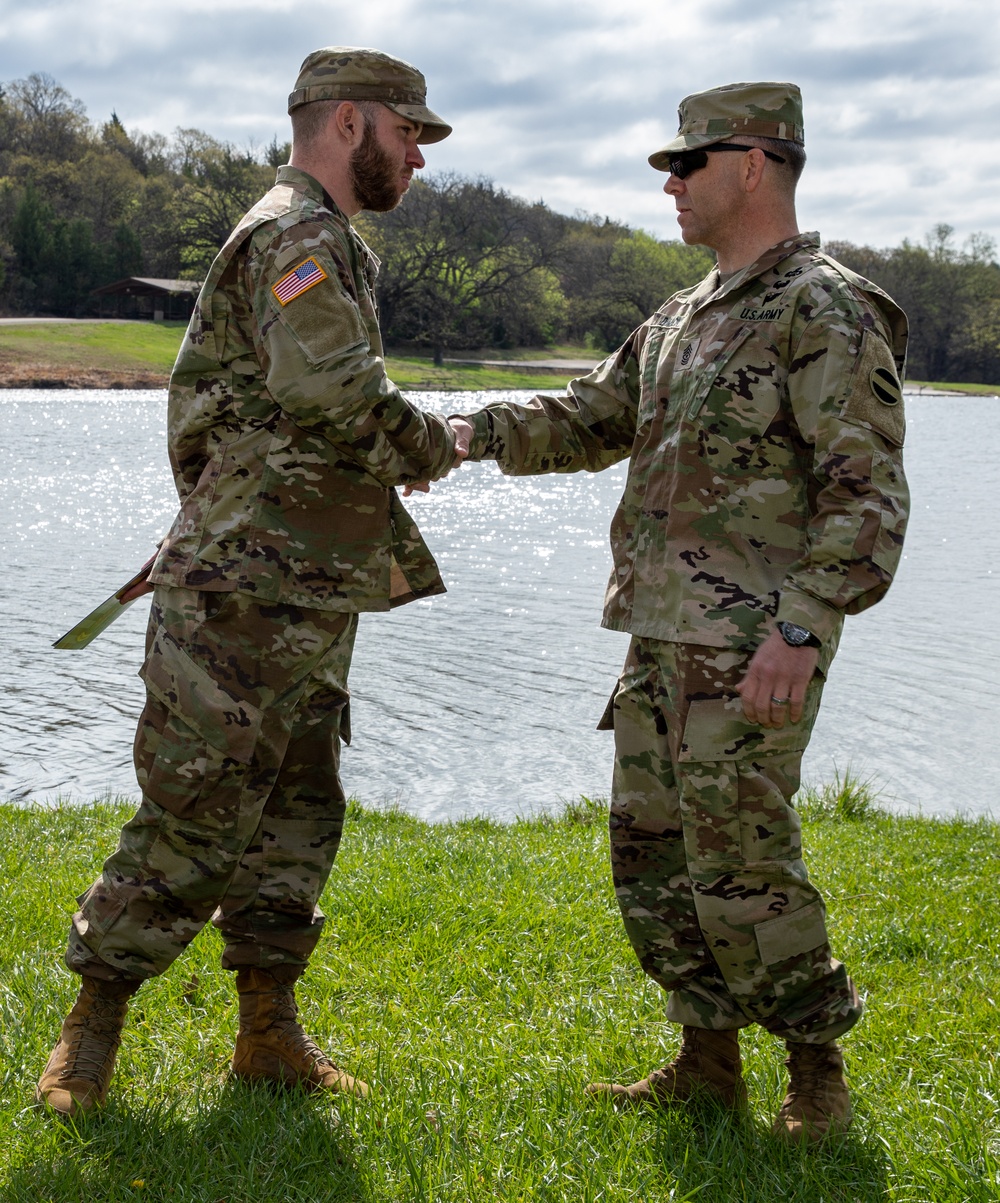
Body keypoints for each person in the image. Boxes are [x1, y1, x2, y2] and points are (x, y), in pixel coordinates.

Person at [449, 82, 909, 1142]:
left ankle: (815, 1072)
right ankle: (705, 1062)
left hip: (754, 641)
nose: (669, 182)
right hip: (658, 633)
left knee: (745, 856)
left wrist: (801, 628)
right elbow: (588, 417)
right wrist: (469, 436)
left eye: (686, 163)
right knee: (653, 854)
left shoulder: (824, 306)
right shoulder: (682, 314)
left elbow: (865, 491)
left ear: (754, 164)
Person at [37, 46, 466, 1117]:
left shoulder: (321, 238)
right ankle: (89, 1033)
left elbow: (287, 414)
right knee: (195, 804)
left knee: (295, 808)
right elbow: (333, 392)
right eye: (409, 134)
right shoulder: (297, 234)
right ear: (351, 123)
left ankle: (268, 1034)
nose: (417, 158)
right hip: (244, 583)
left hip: (303, 578)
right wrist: (430, 444)